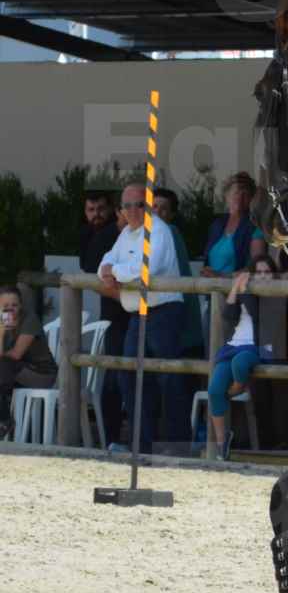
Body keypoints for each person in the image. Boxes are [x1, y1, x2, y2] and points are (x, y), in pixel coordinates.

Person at [98, 184, 188, 454]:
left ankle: (177, 444)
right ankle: (143, 444)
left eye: (139, 204)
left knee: (168, 378)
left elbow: (146, 270)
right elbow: (105, 262)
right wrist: (110, 269)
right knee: (130, 377)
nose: (134, 210)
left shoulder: (159, 230)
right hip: (139, 313)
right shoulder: (126, 233)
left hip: (164, 311)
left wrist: (114, 270)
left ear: (147, 206)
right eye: (128, 206)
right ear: (122, 210)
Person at [208, 255, 280, 459]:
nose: (263, 276)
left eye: (267, 272)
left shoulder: (277, 294)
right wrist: (234, 288)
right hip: (233, 345)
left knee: (240, 364)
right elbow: (228, 316)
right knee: (214, 389)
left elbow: (258, 314)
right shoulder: (244, 292)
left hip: (257, 348)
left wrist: (244, 290)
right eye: (259, 272)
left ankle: (237, 388)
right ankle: (222, 443)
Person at [79, 190, 130, 446]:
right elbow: (90, 272)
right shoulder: (96, 235)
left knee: (135, 377)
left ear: (113, 209)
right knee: (113, 378)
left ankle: (130, 437)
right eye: (91, 209)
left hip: (138, 313)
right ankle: (112, 437)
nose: (96, 215)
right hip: (114, 315)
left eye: (101, 209)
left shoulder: (120, 234)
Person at [0, 286, 59, 439]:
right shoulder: (2, 323)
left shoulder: (29, 320)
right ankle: (5, 419)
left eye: (14, 305)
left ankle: (5, 420)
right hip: (15, 374)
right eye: (5, 307)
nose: (10, 310)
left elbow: (16, 354)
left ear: (21, 305)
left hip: (41, 374)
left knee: (5, 364)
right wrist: (1, 332)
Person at [153, 187, 205, 358]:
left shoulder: (168, 232)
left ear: (171, 215)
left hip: (178, 315)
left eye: (163, 208)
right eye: (153, 207)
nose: (157, 212)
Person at [201, 172, 267, 278]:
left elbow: (258, 266)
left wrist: (223, 276)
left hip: (239, 290)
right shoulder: (217, 225)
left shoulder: (255, 226)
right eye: (236, 192)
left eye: (245, 194)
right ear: (226, 196)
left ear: (251, 199)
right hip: (213, 290)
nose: (240, 197)